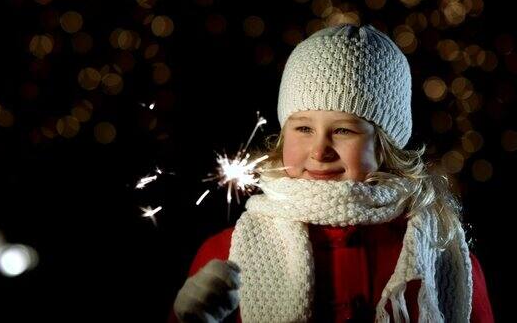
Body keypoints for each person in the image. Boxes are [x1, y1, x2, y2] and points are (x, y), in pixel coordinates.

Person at [170, 24, 494, 322]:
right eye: (303, 128)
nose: (319, 150)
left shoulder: (439, 255)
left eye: (342, 130)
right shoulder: (228, 254)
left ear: (385, 146)